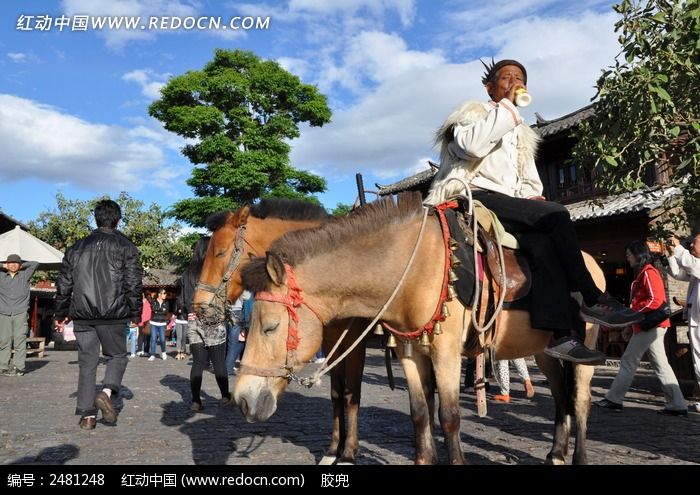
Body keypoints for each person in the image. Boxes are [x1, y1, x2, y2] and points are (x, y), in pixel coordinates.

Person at [424, 58, 642, 363]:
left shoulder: (521, 132)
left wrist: (532, 197)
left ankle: (560, 335)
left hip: (509, 204)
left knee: (543, 245)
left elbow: (528, 180)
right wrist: (509, 108)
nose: (514, 82)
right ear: (490, 86)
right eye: (506, 78)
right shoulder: (471, 115)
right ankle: (594, 298)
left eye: (520, 78)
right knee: (557, 215)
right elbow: (471, 148)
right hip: (473, 194)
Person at [54, 199, 143, 430]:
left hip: (82, 313)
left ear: (95, 218)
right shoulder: (126, 247)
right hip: (113, 313)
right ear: (118, 219)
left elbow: (64, 283)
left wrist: (60, 312)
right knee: (117, 356)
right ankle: (106, 391)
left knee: (87, 362)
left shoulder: (75, 248)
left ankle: (87, 416)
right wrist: (136, 312)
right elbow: (133, 284)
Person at [594, 240, 687, 415]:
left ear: (638, 255)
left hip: (650, 326)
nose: (628, 258)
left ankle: (614, 399)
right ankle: (677, 404)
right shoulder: (646, 273)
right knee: (661, 365)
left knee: (628, 361)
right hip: (653, 325)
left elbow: (655, 300)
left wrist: (632, 316)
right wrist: (633, 321)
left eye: (629, 254)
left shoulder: (648, 273)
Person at [179, 237, 231, 411]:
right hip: (213, 320)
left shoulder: (187, 272)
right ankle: (225, 397)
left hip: (193, 320)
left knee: (198, 363)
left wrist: (188, 312)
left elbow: (182, 299)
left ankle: (195, 401)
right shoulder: (214, 270)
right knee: (219, 363)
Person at [666, 233, 700, 414]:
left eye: (694, 243)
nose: (691, 246)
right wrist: (672, 254)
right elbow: (678, 274)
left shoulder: (697, 265)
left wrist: (679, 248)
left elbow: (690, 264)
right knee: (698, 360)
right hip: (696, 319)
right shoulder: (695, 267)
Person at [0, 254, 39, 376]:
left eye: (15, 262)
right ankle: (3, 367)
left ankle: (19, 367)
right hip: (3, 313)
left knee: (19, 341)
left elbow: (35, 263)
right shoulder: (1, 275)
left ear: (20, 264)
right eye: (10, 262)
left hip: (20, 313)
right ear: (6, 263)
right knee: (3, 341)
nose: (12, 265)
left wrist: (21, 265)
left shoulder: (24, 275)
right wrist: (3, 265)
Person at [225, 291, 251, 375]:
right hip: (236, 311)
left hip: (225, 311)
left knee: (225, 341)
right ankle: (228, 369)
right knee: (234, 343)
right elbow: (247, 296)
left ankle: (223, 367)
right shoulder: (238, 280)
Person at [148, 289, 169, 361]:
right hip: (154, 322)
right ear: (159, 294)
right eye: (164, 293)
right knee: (153, 339)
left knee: (163, 339)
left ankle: (163, 352)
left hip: (162, 323)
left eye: (165, 293)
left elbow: (166, 311)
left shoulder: (166, 302)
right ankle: (152, 354)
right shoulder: (153, 301)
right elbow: (154, 309)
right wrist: (161, 310)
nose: (165, 294)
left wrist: (158, 311)